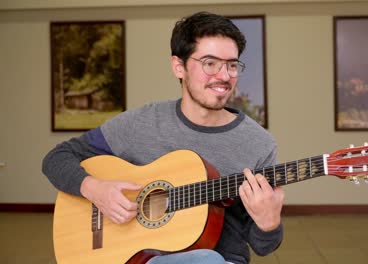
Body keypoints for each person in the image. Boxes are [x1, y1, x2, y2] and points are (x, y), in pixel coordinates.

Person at [42, 11, 284, 264]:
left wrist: (269, 223)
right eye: (210, 63)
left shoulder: (259, 144)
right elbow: (56, 158)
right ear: (178, 66)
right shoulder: (141, 122)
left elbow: (263, 246)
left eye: (232, 65)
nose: (224, 76)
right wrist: (95, 189)